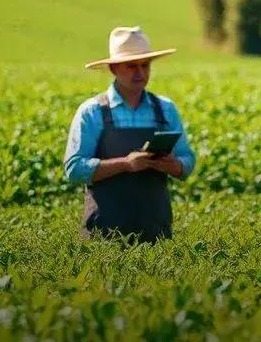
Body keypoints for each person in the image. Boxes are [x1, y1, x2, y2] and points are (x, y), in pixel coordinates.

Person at [63, 26, 196, 242]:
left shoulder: (166, 109)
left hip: (156, 234)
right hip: (103, 236)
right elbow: (74, 169)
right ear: (114, 69)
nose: (140, 73)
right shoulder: (92, 111)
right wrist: (126, 164)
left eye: (145, 65)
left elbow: (187, 161)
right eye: (131, 66)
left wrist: (173, 165)